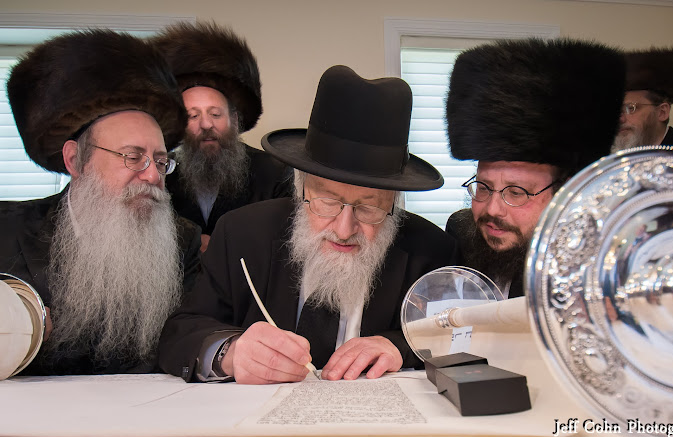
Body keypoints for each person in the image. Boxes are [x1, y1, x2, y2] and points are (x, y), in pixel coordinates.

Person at [158, 65, 457, 384]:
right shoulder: (241, 234)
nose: (344, 230)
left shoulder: (430, 251)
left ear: (393, 203)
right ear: (301, 188)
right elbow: (181, 331)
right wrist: (229, 352)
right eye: (327, 201)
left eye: (369, 207)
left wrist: (401, 344)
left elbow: (464, 333)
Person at [0, 30, 202, 375]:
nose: (152, 175)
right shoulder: (7, 228)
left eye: (160, 161)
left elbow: (186, 337)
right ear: (75, 160)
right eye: (132, 157)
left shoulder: (184, 240)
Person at [445, 38, 625, 298]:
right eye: (483, 187)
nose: (492, 209)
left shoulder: (600, 279)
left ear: (565, 195)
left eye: (516, 192)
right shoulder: (462, 235)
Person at [152, 22, 292, 252]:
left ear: (234, 120)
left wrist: (221, 247)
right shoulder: (161, 174)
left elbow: (283, 243)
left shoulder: (275, 174)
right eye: (193, 115)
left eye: (215, 114)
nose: (206, 124)